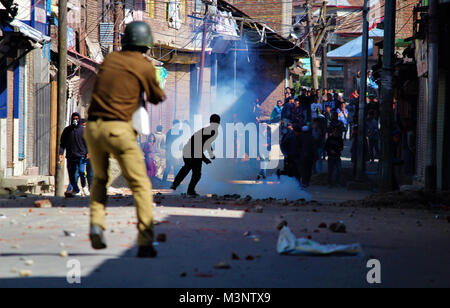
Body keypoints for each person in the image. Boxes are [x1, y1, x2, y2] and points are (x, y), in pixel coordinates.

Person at [84, 21, 165, 257]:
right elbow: (156, 97)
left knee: (100, 179)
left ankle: (97, 225)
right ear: (146, 44)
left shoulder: (110, 60)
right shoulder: (144, 65)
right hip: (119, 129)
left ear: (125, 40)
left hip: (93, 128)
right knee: (140, 185)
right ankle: (145, 241)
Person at [171, 114, 221, 196]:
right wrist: (205, 158)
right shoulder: (211, 131)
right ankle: (189, 190)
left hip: (189, 150)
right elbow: (199, 145)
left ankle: (176, 184)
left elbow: (207, 143)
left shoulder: (209, 130)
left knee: (187, 168)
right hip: (192, 152)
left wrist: (210, 154)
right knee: (196, 173)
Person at [59, 112, 89, 197]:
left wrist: (88, 152)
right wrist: (61, 153)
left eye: (77, 119)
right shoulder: (67, 130)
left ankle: (84, 186)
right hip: (70, 156)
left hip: (81, 156)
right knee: (72, 175)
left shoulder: (83, 130)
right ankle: (76, 190)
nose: (75, 120)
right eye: (74, 119)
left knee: (81, 171)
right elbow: (62, 143)